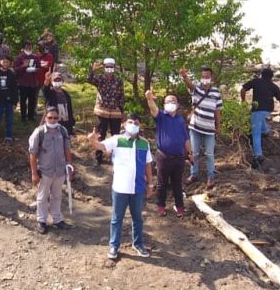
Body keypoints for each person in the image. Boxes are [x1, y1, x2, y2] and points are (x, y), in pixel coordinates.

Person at [87, 114, 154, 259]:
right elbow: (101, 146)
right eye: (130, 122)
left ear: (140, 126)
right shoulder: (117, 140)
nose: (133, 124)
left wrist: (150, 184)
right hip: (120, 187)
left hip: (138, 188)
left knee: (138, 218)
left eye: (136, 122)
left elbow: (148, 165)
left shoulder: (144, 143)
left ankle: (138, 244)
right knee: (117, 218)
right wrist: (92, 139)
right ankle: (114, 246)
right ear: (124, 124)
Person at [145, 89, 192, 217]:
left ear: (177, 104)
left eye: (173, 101)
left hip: (179, 158)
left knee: (177, 183)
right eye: (167, 101)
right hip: (163, 156)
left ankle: (180, 207)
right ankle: (161, 206)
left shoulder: (180, 120)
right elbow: (153, 109)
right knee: (162, 183)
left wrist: (190, 153)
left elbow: (186, 138)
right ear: (164, 104)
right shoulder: (161, 116)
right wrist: (149, 99)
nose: (171, 103)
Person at [28, 107, 74, 234]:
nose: (53, 120)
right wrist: (34, 173)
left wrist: (70, 166)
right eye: (50, 117)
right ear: (45, 118)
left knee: (57, 196)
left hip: (59, 170)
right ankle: (41, 221)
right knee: (42, 197)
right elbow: (33, 154)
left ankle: (57, 219)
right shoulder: (39, 133)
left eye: (55, 118)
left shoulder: (63, 131)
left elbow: (67, 150)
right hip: (45, 171)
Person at [180, 65, 223, 189]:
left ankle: (211, 176)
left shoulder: (216, 92)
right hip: (195, 127)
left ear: (212, 78)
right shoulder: (197, 89)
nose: (205, 79)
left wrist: (218, 126)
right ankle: (194, 174)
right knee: (195, 152)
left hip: (209, 128)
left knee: (209, 153)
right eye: (203, 77)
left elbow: (217, 111)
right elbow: (190, 85)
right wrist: (184, 76)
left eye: (207, 77)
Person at [241, 67, 280, 167]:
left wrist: (243, 101)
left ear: (261, 75)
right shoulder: (273, 86)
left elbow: (243, 89)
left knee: (255, 133)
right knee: (260, 119)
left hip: (257, 109)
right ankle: (265, 131)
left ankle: (258, 155)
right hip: (268, 110)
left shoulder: (256, 81)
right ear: (271, 77)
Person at [87, 58, 124, 165]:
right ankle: (98, 158)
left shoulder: (118, 80)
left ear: (114, 68)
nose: (109, 69)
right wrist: (93, 70)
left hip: (115, 112)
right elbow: (89, 79)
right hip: (101, 111)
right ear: (104, 67)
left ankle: (115, 157)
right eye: (107, 66)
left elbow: (121, 95)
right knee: (100, 134)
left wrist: (120, 108)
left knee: (116, 135)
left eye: (111, 67)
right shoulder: (100, 79)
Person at [0, 55, 18, 143]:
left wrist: (15, 101)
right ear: (0, 62)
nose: (5, 63)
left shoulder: (11, 73)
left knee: (9, 119)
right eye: (3, 61)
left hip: (9, 101)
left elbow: (15, 88)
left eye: (7, 62)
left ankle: (8, 137)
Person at [14, 40, 42, 122]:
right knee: (23, 100)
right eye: (27, 46)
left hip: (33, 83)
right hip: (23, 83)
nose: (29, 47)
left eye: (30, 46)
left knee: (32, 100)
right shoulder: (20, 57)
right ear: (24, 47)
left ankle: (31, 116)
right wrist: (23, 66)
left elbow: (39, 68)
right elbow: (15, 69)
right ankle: (23, 117)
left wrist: (35, 69)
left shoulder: (35, 57)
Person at [41, 71, 76, 135]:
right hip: (53, 122)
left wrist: (72, 125)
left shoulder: (66, 94)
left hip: (66, 123)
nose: (57, 81)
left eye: (59, 80)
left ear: (62, 81)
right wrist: (46, 79)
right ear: (51, 82)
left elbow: (70, 110)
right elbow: (45, 89)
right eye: (55, 80)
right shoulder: (50, 93)